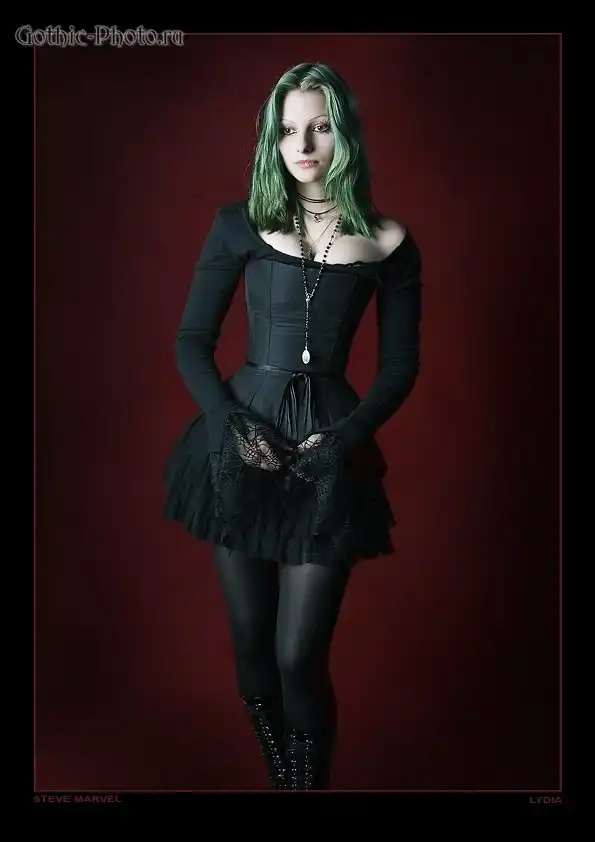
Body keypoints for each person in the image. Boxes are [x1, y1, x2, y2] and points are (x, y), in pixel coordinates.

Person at [163, 62, 423, 791]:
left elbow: (400, 366)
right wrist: (228, 423)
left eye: (319, 127)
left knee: (298, 656)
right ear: (270, 140)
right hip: (239, 442)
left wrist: (345, 438)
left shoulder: (390, 242)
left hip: (328, 453)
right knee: (252, 645)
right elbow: (190, 340)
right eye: (286, 130)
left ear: (346, 134)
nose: (302, 145)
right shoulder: (237, 224)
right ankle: (285, 782)